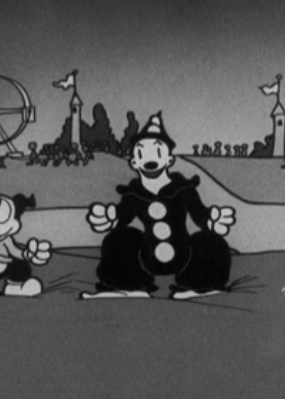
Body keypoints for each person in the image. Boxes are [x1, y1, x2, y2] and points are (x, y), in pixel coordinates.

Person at [84, 113, 236, 300]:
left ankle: (200, 285)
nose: (150, 160)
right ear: (134, 162)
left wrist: (212, 220)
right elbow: (122, 217)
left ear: (169, 160)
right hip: (147, 259)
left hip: (184, 256)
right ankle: (127, 285)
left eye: (157, 152)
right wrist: (110, 218)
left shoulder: (183, 189)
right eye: (142, 153)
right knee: (119, 239)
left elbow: (200, 215)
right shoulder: (134, 194)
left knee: (211, 242)